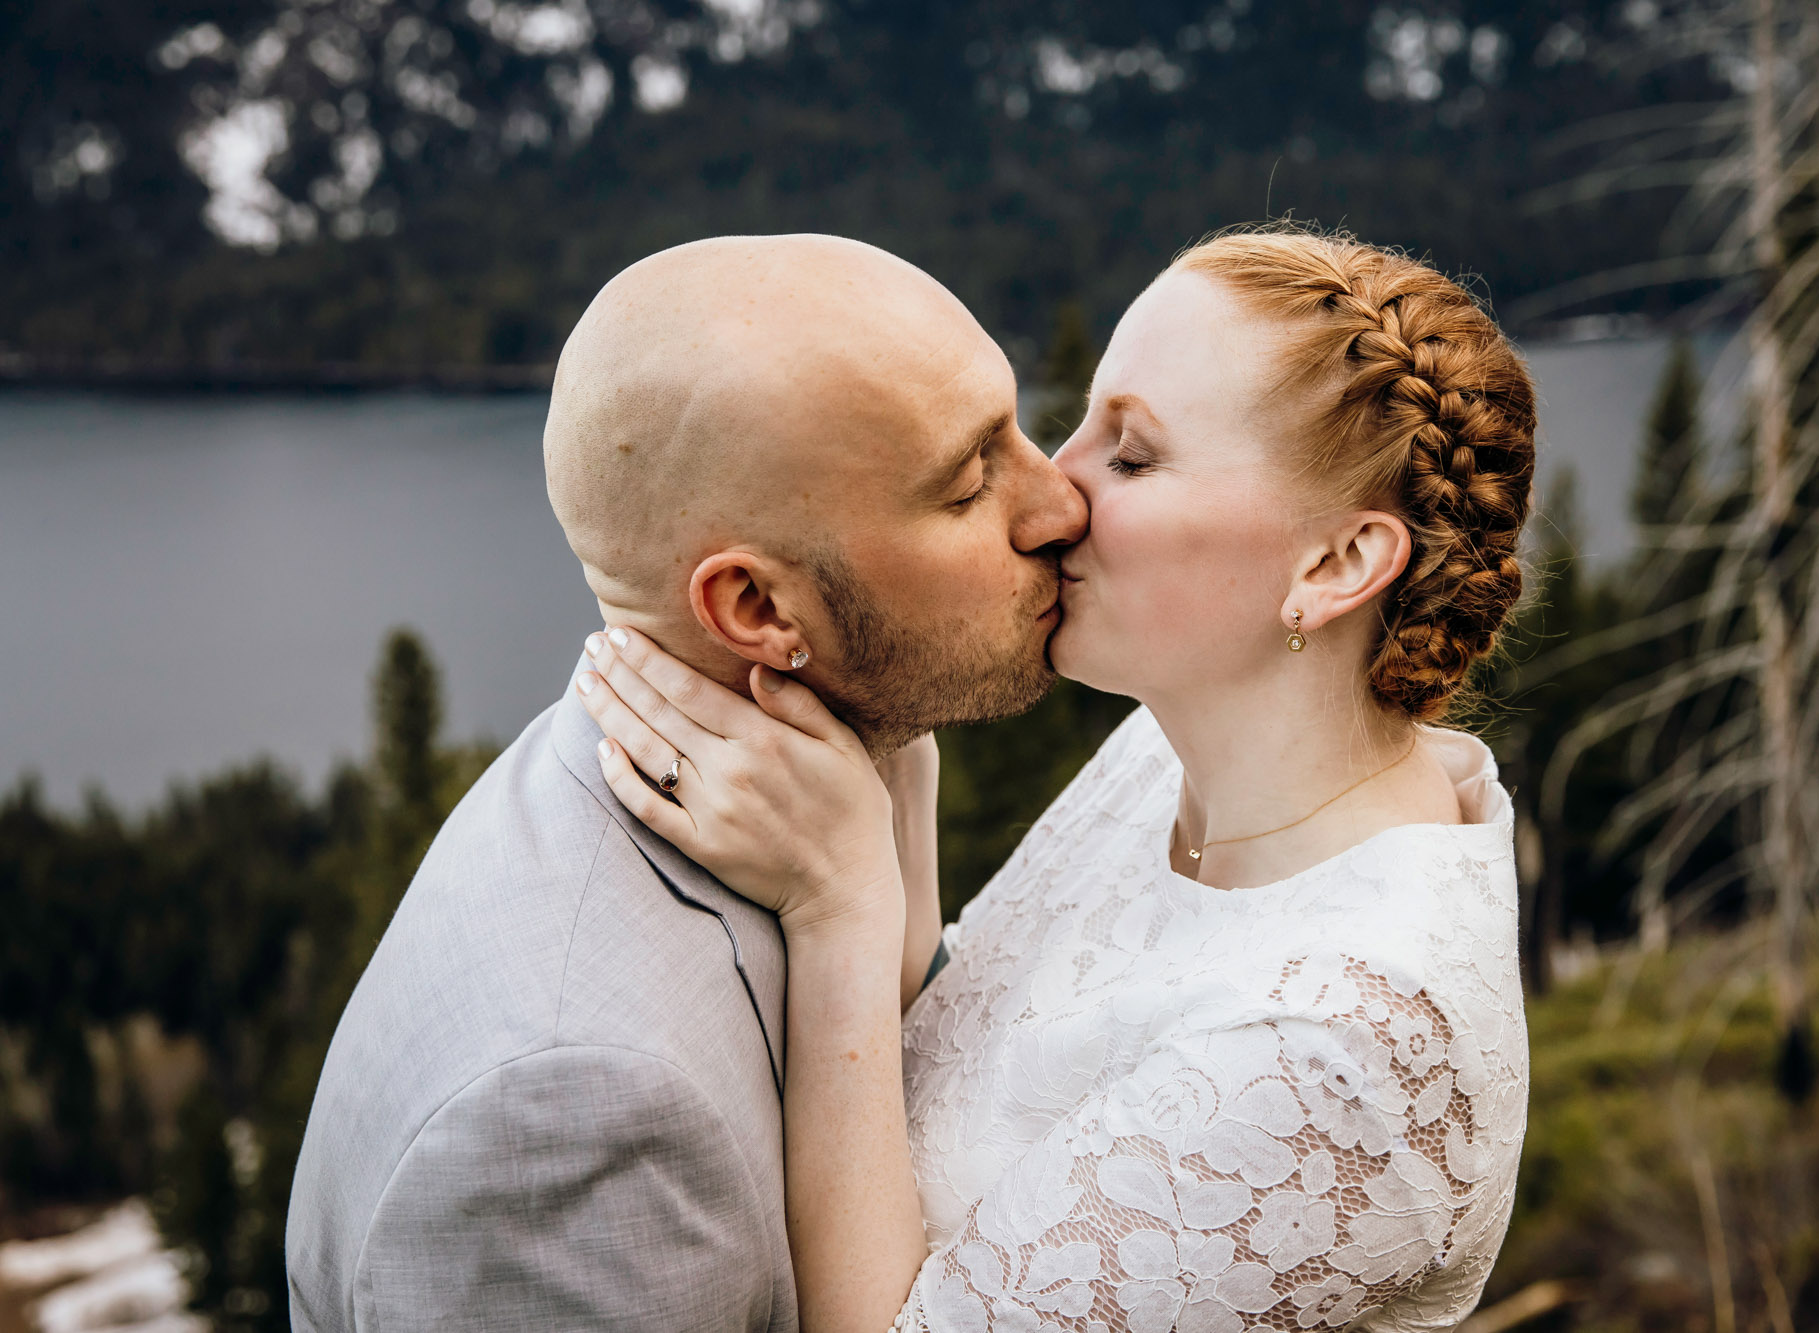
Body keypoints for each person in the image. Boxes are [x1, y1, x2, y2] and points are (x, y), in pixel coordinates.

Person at [578, 224, 1537, 1332]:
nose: (1052, 495)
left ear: (1334, 566)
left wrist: (836, 908)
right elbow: (963, 1060)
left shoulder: (1343, 1053)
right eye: (1076, 422)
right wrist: (892, 744)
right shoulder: (1167, 755)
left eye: (1129, 456)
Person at [284, 234, 1086, 1331]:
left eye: (1016, 428)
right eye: (965, 485)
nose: (1058, 507)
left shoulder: (832, 786)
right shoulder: (574, 1110)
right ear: (756, 612)